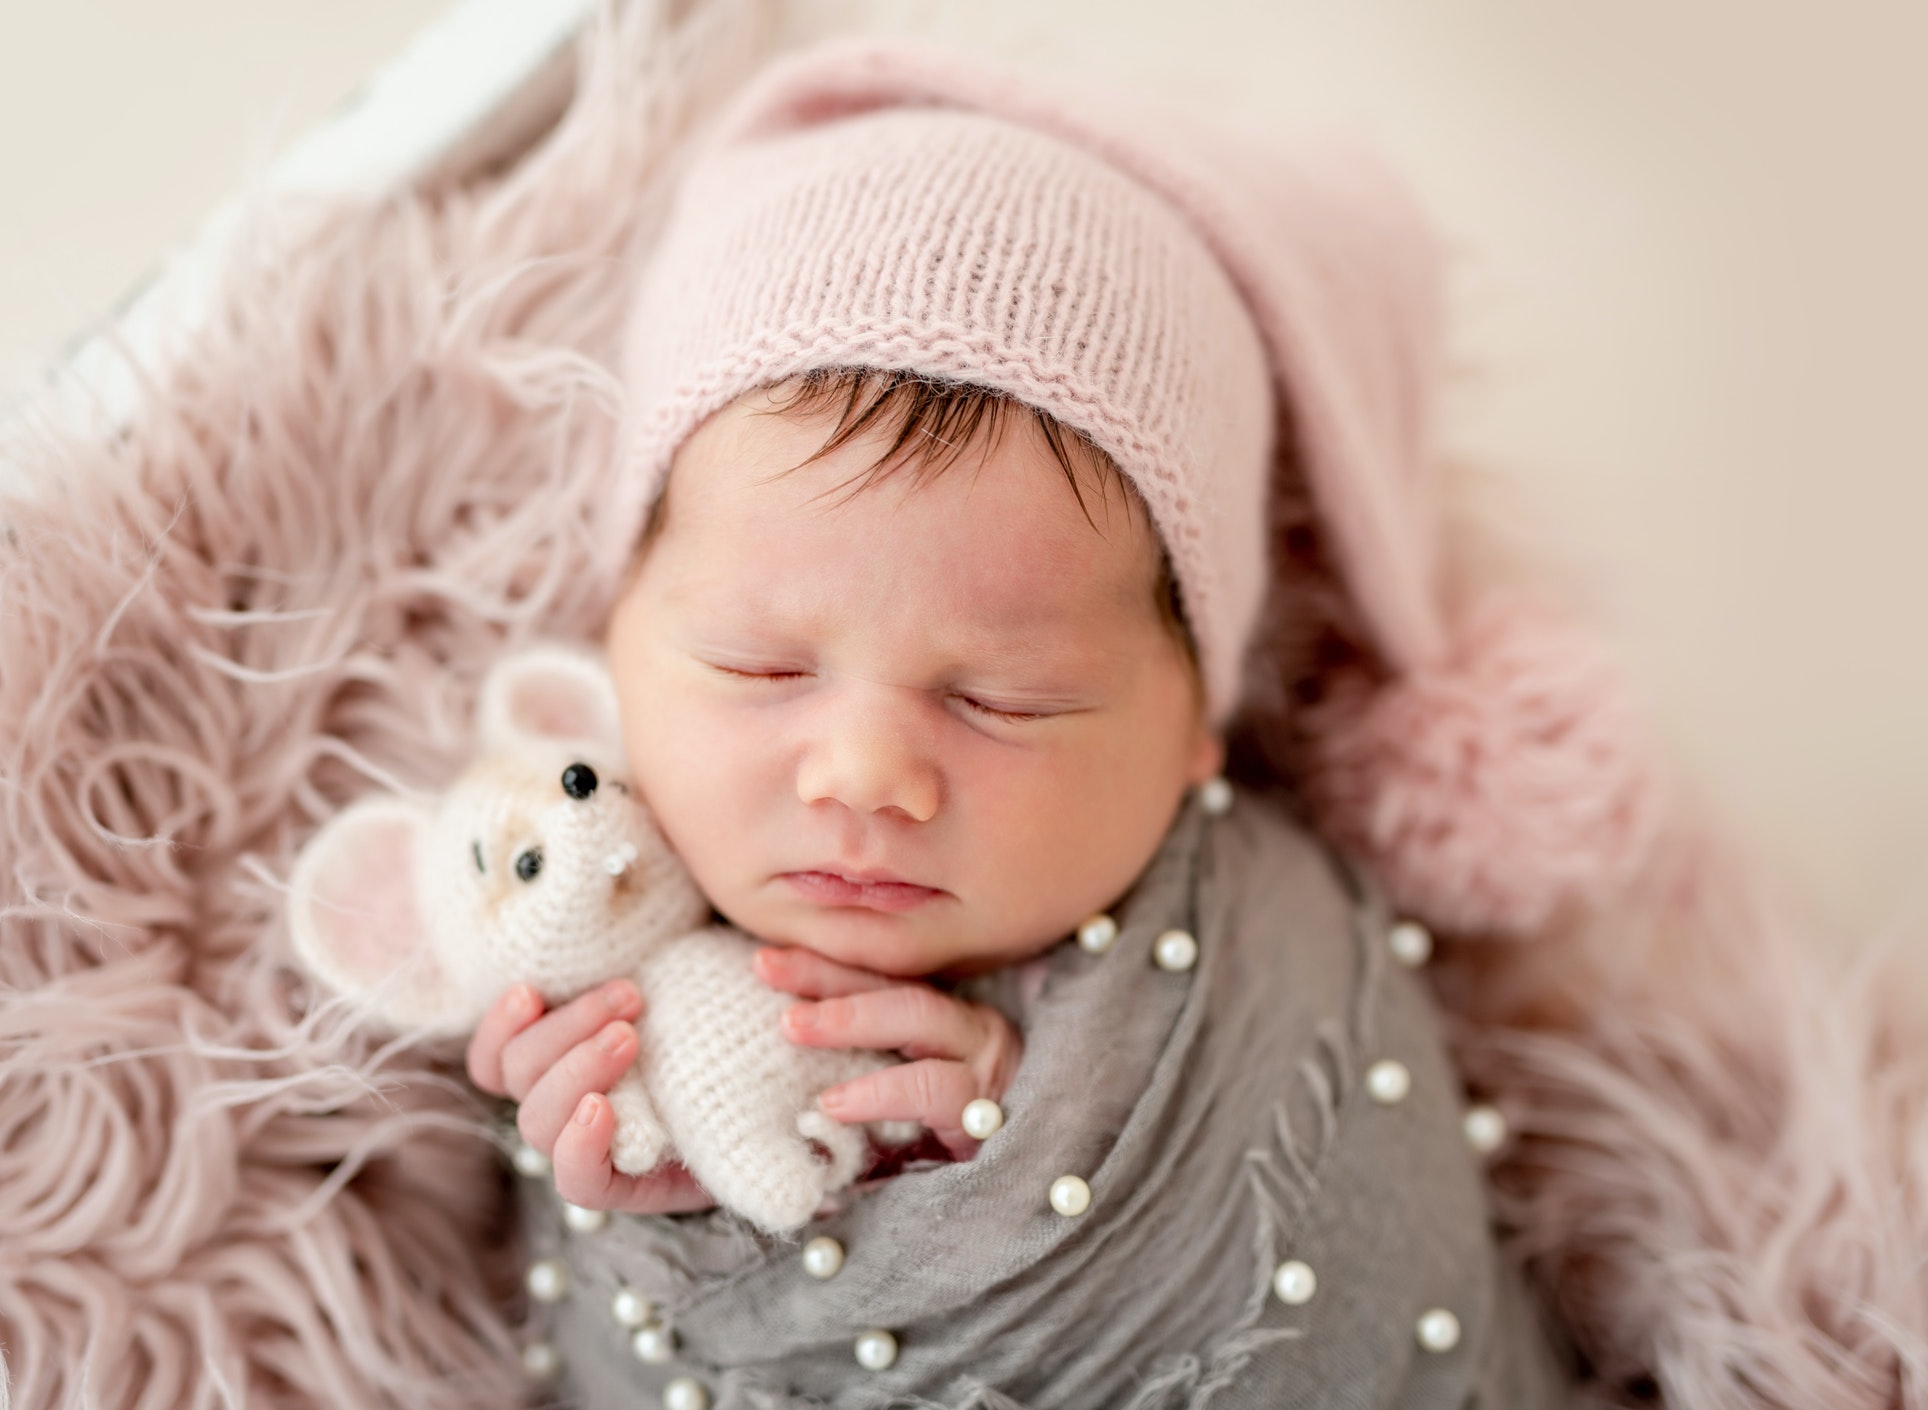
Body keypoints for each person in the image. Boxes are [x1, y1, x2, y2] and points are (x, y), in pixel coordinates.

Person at [461, 35, 1618, 1409]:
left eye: (1002, 698)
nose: (869, 772)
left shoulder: (1274, 938)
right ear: (613, 647)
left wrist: (1028, 1123)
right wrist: (631, 1202)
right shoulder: (585, 928)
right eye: (764, 667)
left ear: (1199, 724)